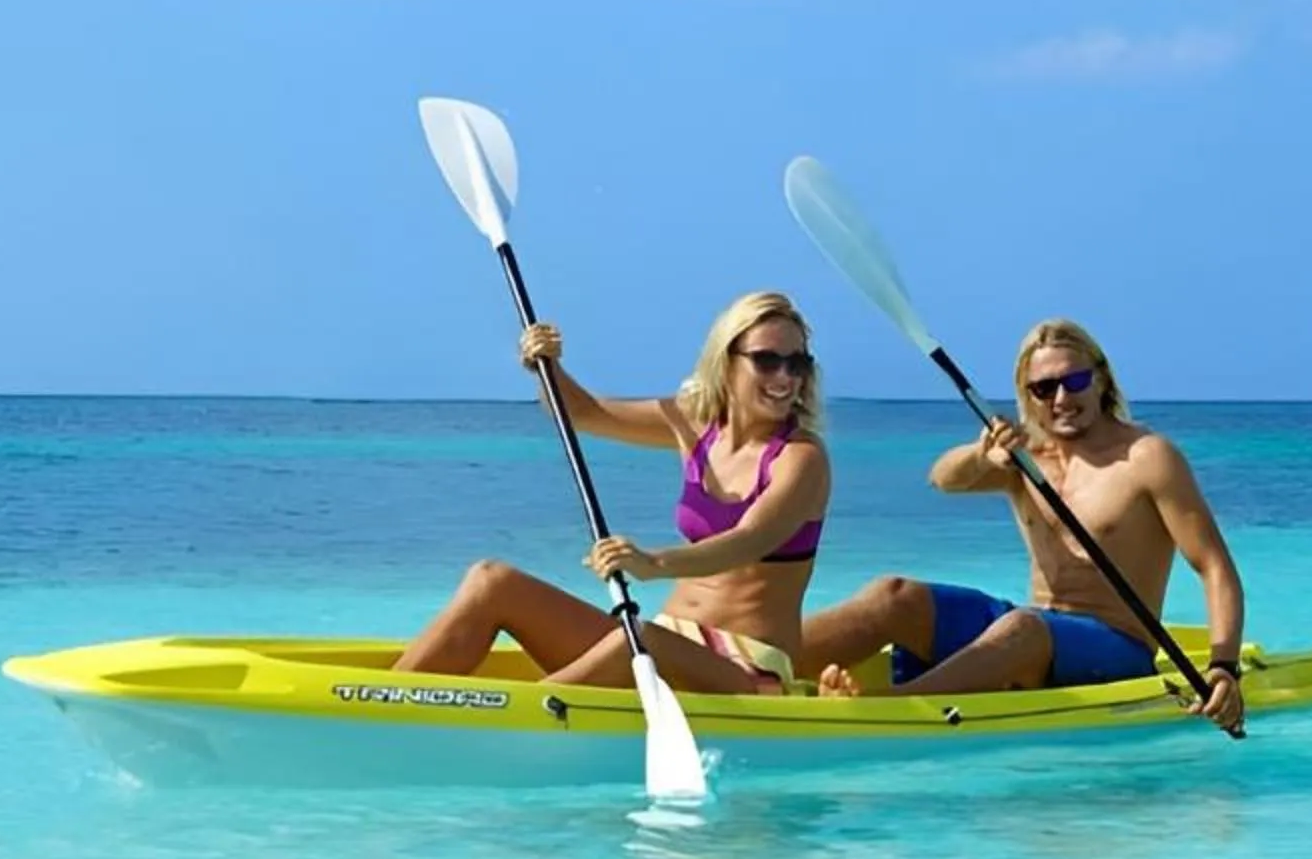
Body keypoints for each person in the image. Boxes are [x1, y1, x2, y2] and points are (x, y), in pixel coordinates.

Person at [796, 317, 1248, 732]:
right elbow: (942, 478)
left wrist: (1224, 667)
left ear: (1101, 379)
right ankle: (768, 667)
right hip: (1030, 630)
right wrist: (982, 456)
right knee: (893, 595)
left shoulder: (1147, 458)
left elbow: (1214, 567)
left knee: (1023, 628)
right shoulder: (1025, 455)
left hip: (1117, 647)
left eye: (1075, 381)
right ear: (1027, 394)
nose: (1062, 399)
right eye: (1044, 388)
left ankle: (883, 709)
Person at [389, 291, 834, 696]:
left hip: (746, 669)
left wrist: (651, 563)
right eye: (767, 360)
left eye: (797, 364)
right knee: (492, 581)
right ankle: (386, 702)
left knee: (637, 638)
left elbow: (749, 541)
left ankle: (516, 719)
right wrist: (547, 366)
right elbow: (582, 412)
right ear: (726, 360)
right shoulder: (695, 425)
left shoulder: (801, 458)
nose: (785, 377)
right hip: (666, 639)